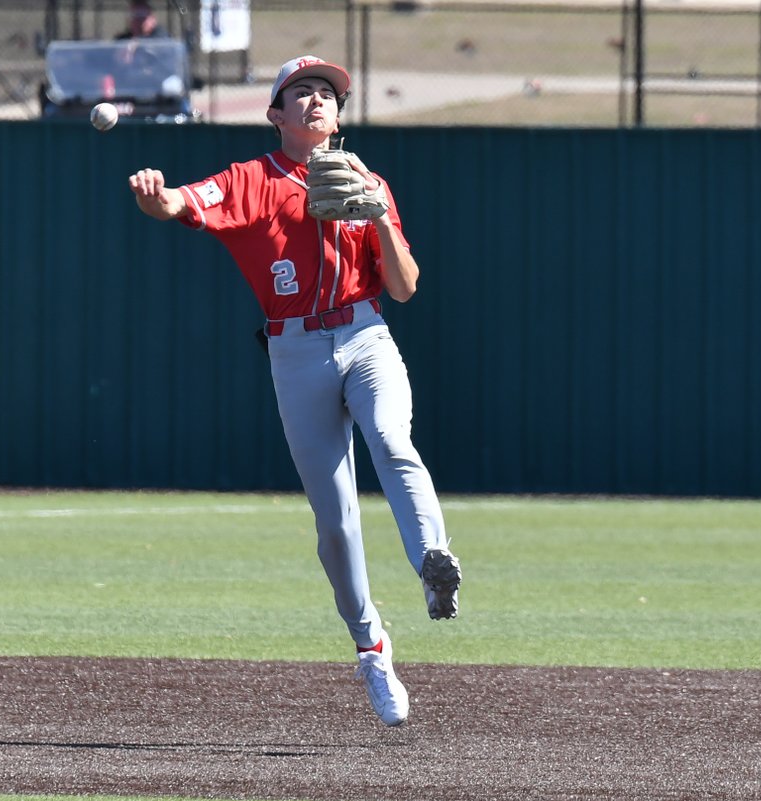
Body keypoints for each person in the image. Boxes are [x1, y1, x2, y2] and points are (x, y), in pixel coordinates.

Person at [128, 55, 461, 727]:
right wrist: (155, 197)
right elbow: (183, 203)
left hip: (366, 334)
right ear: (276, 114)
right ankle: (371, 645)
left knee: (392, 438)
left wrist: (379, 219)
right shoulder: (252, 181)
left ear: (338, 116)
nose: (315, 100)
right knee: (335, 517)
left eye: (326, 93)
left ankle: (432, 561)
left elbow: (403, 287)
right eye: (300, 92)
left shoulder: (367, 181)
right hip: (296, 348)